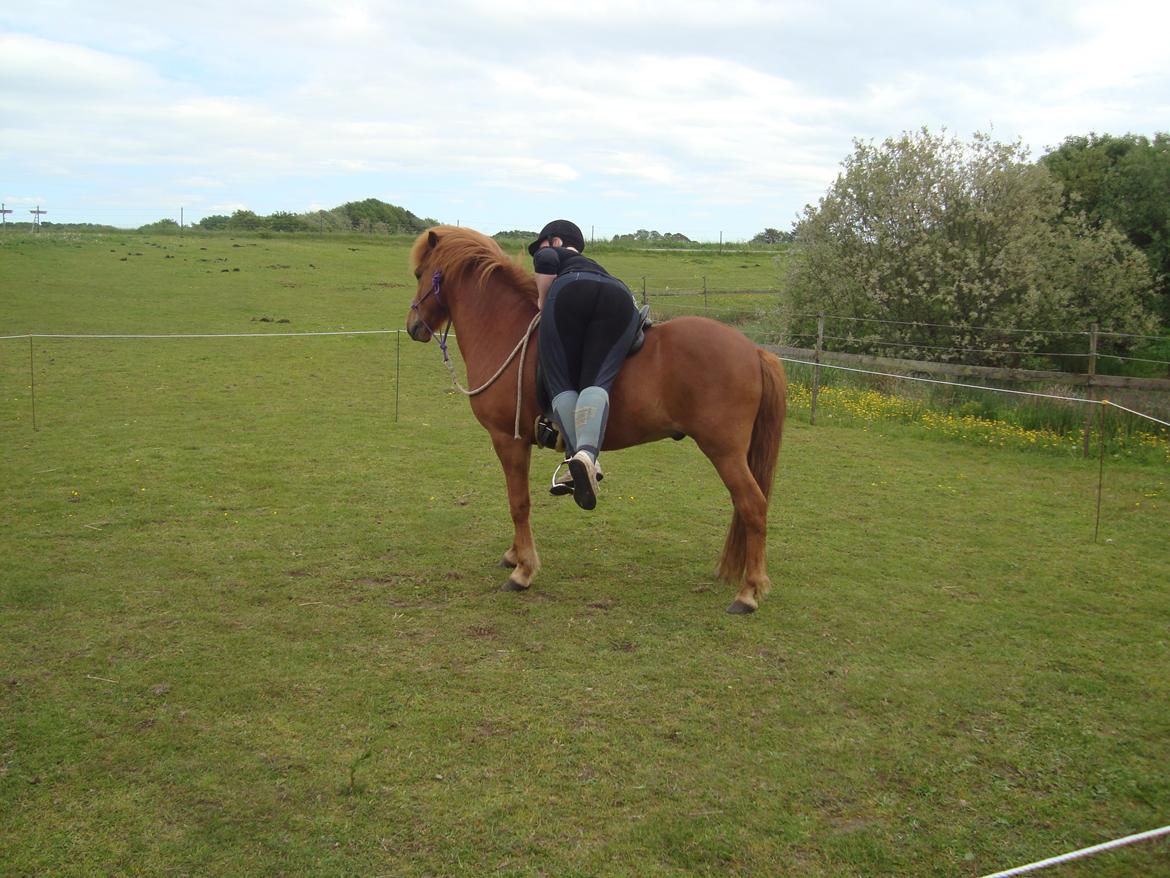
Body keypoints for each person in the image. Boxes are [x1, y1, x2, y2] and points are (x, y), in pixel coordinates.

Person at [530, 219, 640, 511]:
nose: (539, 253)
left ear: (555, 241)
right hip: (620, 295)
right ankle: (588, 458)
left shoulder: (553, 254)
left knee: (560, 382)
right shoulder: (594, 264)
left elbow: (545, 261)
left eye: (542, 244)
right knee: (597, 380)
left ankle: (580, 455)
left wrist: (543, 301)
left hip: (568, 291)